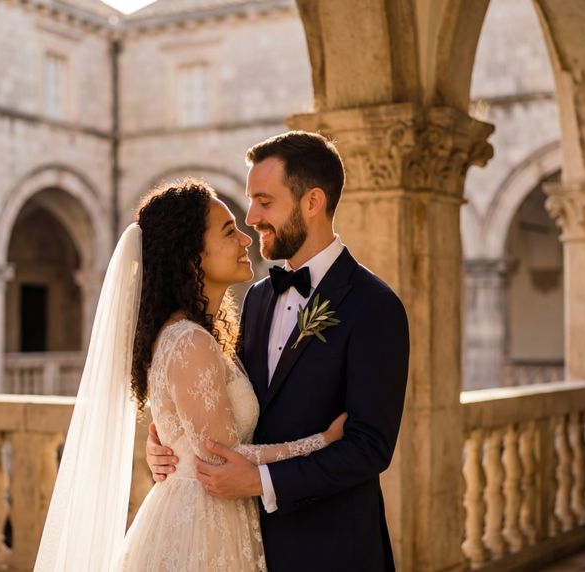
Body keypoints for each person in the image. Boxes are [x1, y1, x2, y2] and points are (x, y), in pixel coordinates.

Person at [34, 179, 346, 572]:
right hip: (201, 525)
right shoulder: (188, 340)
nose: (245, 239)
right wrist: (321, 442)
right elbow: (221, 458)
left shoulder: (205, 333)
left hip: (216, 513)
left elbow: (200, 437)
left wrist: (170, 448)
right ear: (190, 255)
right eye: (229, 231)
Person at [147, 131, 411, 571]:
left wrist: (262, 480)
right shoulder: (257, 297)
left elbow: (369, 447)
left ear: (312, 202)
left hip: (333, 548)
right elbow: (227, 403)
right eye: (250, 202)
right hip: (247, 544)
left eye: (264, 202)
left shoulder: (374, 305)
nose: (251, 217)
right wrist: (168, 442)